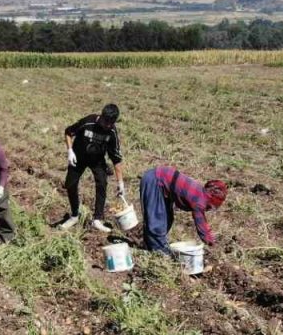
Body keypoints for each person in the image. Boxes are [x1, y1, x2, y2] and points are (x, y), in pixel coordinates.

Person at [55, 103, 125, 232]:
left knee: (102, 183)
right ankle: (75, 215)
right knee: (70, 184)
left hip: (97, 161)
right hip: (79, 157)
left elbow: (116, 158)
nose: (107, 126)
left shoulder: (112, 132)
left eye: (111, 123)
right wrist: (70, 151)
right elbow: (68, 132)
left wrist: (120, 182)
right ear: (101, 116)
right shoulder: (88, 122)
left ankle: (97, 219)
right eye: (106, 122)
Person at [139, 166, 228, 255]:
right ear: (212, 199)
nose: (209, 209)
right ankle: (158, 250)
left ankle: (152, 245)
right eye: (211, 207)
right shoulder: (199, 200)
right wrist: (210, 241)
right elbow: (201, 224)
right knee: (157, 218)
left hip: (161, 183)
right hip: (155, 180)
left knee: (167, 218)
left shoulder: (201, 192)